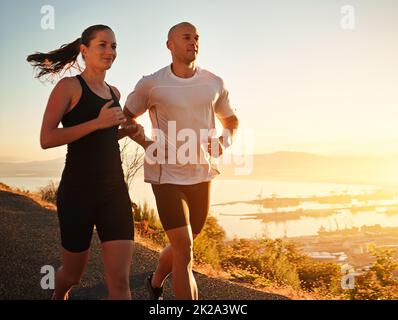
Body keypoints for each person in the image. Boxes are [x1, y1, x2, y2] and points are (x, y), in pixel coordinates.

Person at [123, 22, 239, 300]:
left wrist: (224, 141)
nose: (193, 42)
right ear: (169, 45)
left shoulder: (214, 82)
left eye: (197, 37)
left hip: (201, 175)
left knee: (183, 246)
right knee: (185, 251)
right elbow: (126, 117)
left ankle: (155, 281)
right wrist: (143, 142)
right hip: (166, 176)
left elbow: (231, 121)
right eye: (186, 37)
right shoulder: (152, 83)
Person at [27, 25, 140, 300]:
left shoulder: (114, 92)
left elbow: (105, 137)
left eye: (114, 46)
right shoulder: (68, 87)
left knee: (120, 283)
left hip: (114, 192)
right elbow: (47, 138)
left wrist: (127, 131)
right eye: (103, 45)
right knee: (73, 274)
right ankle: (58, 294)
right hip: (78, 193)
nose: (110, 51)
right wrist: (97, 122)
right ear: (84, 50)